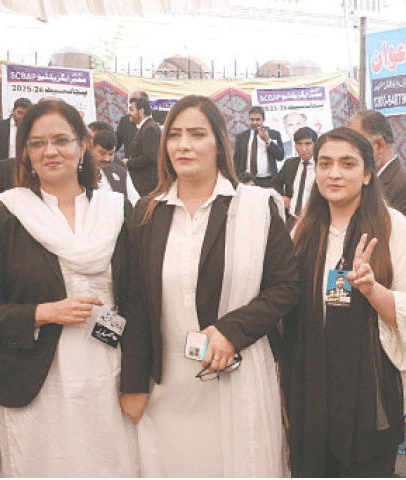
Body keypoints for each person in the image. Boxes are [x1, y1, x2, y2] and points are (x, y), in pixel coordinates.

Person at [120, 95, 300, 477]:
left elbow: (285, 286)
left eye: (197, 134)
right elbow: (133, 302)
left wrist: (231, 331)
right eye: (175, 135)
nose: (183, 145)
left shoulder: (255, 206)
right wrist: (133, 383)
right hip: (165, 390)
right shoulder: (148, 213)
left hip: (234, 382)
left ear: (219, 143)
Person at [0, 98, 139, 476]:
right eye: (37, 142)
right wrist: (44, 312)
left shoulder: (116, 212)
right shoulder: (4, 217)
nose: (50, 151)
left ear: (82, 146)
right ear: (25, 153)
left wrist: (138, 381)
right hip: (36, 385)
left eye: (61, 140)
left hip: (108, 377)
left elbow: (139, 303)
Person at [286, 127, 406, 477]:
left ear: (367, 174)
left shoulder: (392, 227)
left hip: (369, 384)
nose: (334, 173)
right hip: (308, 380)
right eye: (325, 164)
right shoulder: (303, 231)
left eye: (347, 164)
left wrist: (372, 290)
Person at [347, 109, 406, 251]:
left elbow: (405, 246)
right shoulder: (356, 182)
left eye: (355, 146)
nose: (349, 154)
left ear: (379, 145)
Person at [271, 126, 317, 228]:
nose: (303, 148)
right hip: (292, 218)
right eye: (299, 144)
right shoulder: (290, 164)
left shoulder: (321, 166)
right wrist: (283, 197)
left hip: (314, 221)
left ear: (315, 145)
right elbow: (274, 183)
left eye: (308, 144)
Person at [233, 106, 284, 188]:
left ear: (264, 119)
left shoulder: (274, 135)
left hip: (268, 181)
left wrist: (268, 140)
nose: (254, 122)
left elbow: (280, 156)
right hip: (247, 181)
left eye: (258, 119)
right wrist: (237, 180)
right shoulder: (241, 137)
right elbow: (236, 161)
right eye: (252, 119)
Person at [0, 98, 32, 176]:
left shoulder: (33, 127)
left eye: (25, 114)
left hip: (27, 172)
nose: (22, 117)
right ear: (13, 110)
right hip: (5, 173)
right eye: (19, 113)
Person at [126, 91, 160, 197]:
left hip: (147, 187)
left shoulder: (150, 128)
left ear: (141, 111)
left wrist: (128, 163)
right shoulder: (145, 127)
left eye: (131, 110)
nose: (128, 113)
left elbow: (149, 157)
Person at [92, 130, 140, 206]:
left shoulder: (121, 172)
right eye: (102, 153)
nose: (106, 159)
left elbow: (134, 200)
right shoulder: (82, 171)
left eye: (111, 154)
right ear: (92, 148)